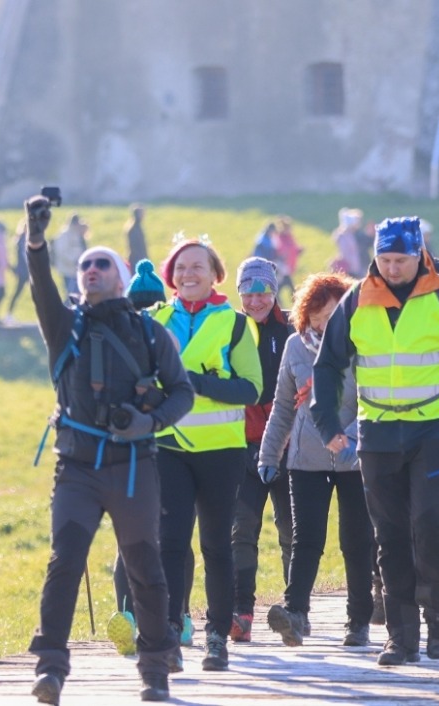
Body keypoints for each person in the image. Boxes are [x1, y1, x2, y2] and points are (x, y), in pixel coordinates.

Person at [22, 194, 193, 705]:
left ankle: (155, 669)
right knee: (64, 563)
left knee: (146, 569)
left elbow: (182, 392)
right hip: (76, 467)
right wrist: (35, 239)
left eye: (101, 264)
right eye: (84, 265)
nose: (91, 270)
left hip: (134, 467)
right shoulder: (64, 327)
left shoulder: (149, 332)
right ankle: (50, 669)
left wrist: (151, 420)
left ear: (120, 277)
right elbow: (40, 285)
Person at [311, 216, 439, 666]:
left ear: (419, 255)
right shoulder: (356, 300)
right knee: (390, 535)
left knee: (430, 522)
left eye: (401, 259)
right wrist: (328, 424)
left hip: (435, 428)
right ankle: (401, 636)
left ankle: (437, 621)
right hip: (377, 433)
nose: (392, 268)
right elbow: (327, 365)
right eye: (385, 259)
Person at [152, 236, 264, 672]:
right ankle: (168, 634)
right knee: (171, 544)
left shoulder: (234, 323)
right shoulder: (155, 320)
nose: (188, 274)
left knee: (217, 545)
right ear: (171, 277)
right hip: (169, 447)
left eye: (197, 266)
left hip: (221, 452)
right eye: (181, 268)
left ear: (215, 273)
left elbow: (252, 388)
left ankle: (217, 636)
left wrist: (194, 381)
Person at [261, 271, 379, 649]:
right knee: (306, 538)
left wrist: (351, 438)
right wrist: (269, 453)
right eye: (317, 316)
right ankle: (295, 613)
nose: (324, 324)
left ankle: (358, 620)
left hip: (354, 459)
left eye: (332, 315)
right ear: (305, 316)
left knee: (356, 541)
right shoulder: (296, 348)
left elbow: (373, 399)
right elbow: (282, 406)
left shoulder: (365, 346)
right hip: (305, 460)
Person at [107, 258, 198, 656]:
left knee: (147, 541)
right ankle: (164, 617)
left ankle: (142, 617)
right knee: (166, 541)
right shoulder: (155, 342)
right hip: (158, 451)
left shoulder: (133, 342)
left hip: (155, 453)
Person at [228, 256, 293, 643]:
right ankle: (241, 612)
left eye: (262, 291)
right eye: (247, 292)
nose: (255, 300)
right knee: (241, 533)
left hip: (285, 449)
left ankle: (292, 609)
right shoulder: (230, 329)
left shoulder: (291, 329)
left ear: (274, 290)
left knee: (291, 531)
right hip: (241, 448)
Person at [50, 214, 88, 298]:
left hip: (77, 270)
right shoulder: (64, 235)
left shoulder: (77, 234)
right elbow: (62, 252)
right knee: (72, 295)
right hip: (68, 270)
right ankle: (62, 310)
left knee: (78, 294)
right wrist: (75, 260)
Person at [273, 216, 304, 303]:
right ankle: (294, 302)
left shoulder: (289, 237)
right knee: (288, 286)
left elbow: (293, 248)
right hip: (282, 267)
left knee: (287, 286)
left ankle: (286, 302)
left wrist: (298, 250)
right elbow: (279, 250)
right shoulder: (279, 238)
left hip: (288, 267)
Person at [6, 219, 31, 322]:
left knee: (36, 293)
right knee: (18, 292)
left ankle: (9, 313)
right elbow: (24, 255)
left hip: (24, 270)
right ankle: (9, 314)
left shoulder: (20, 239)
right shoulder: (23, 239)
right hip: (24, 271)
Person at [330, 208, 366, 277]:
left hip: (355, 266)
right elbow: (345, 252)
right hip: (349, 267)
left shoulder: (351, 235)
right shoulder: (344, 236)